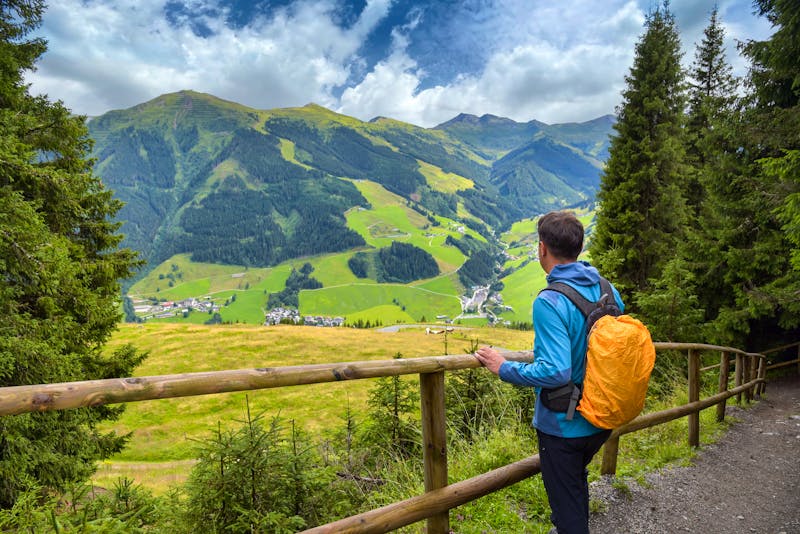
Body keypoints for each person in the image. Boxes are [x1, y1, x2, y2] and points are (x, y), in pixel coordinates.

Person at [474, 210, 623, 534]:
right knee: (574, 487)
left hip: (563, 426)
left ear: (542, 248)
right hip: (601, 417)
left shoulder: (550, 300)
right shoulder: (607, 289)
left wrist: (504, 367)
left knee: (567, 516)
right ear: (578, 248)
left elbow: (556, 372)